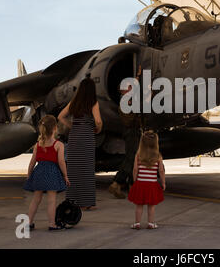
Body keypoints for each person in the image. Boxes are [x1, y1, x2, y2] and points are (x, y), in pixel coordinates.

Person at [58, 77, 103, 211]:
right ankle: (86, 202)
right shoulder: (93, 103)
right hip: (86, 136)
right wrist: (98, 129)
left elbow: (60, 116)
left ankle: (73, 200)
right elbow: (98, 121)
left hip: (75, 136)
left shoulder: (74, 102)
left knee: (74, 169)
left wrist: (71, 126)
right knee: (86, 170)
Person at [24, 115, 70, 231]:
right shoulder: (58, 145)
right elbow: (61, 162)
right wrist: (65, 175)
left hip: (39, 173)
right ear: (55, 128)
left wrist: (29, 175)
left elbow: (32, 162)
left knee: (36, 199)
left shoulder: (38, 144)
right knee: (51, 200)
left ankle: (29, 223)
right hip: (52, 173)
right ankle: (52, 224)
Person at [109, 83, 141, 199]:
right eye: (129, 87)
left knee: (134, 158)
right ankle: (117, 182)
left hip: (133, 132)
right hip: (131, 132)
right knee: (131, 158)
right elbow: (131, 119)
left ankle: (132, 185)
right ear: (123, 90)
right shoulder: (125, 102)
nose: (132, 88)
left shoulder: (127, 100)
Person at [128, 131, 165, 229]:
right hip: (152, 184)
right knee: (151, 205)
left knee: (139, 205)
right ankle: (151, 223)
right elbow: (161, 170)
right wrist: (163, 182)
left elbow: (135, 169)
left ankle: (137, 223)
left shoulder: (138, 155)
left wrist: (135, 180)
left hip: (140, 183)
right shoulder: (158, 156)